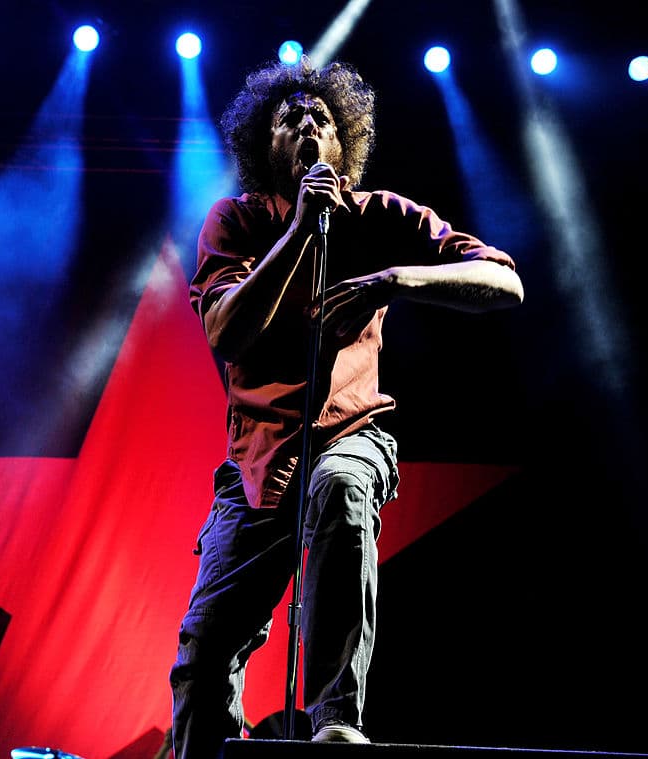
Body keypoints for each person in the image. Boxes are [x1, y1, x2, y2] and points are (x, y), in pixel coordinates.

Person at [168, 55, 524, 758]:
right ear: (259, 143)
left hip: (351, 432)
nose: (307, 126)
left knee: (340, 486)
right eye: (289, 117)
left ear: (343, 143)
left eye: (322, 119)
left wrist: (396, 278)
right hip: (257, 462)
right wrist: (302, 228)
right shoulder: (235, 222)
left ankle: (335, 716)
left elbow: (503, 280)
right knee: (205, 651)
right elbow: (226, 331)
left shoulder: (380, 213)